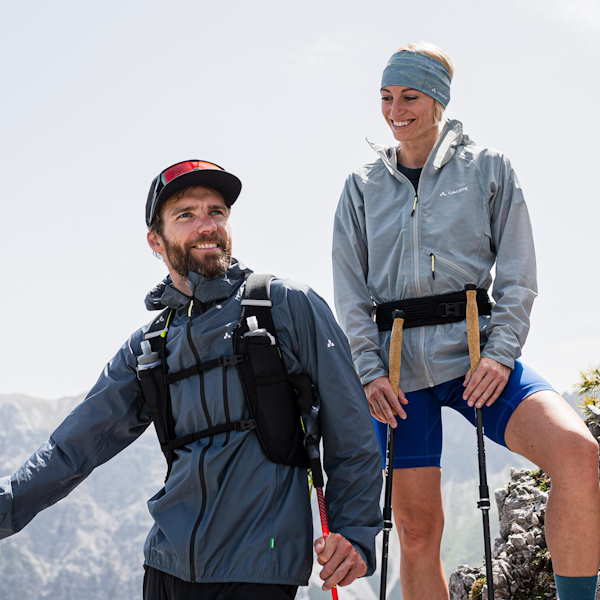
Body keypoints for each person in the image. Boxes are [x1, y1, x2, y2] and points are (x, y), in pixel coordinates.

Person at [0, 159, 383, 600]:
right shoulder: (149, 346)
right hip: (166, 569)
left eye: (216, 212)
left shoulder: (286, 305)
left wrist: (355, 532)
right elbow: (73, 447)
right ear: (155, 240)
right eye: (186, 214)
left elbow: (350, 426)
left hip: (259, 569)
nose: (207, 226)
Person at [332, 43, 600, 600]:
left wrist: (500, 356)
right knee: (417, 532)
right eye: (386, 97)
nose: (395, 110)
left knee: (577, 453)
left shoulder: (488, 168)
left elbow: (519, 275)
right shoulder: (361, 186)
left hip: (478, 358)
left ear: (438, 99)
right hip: (398, 376)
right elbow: (350, 292)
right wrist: (368, 371)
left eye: (409, 96)